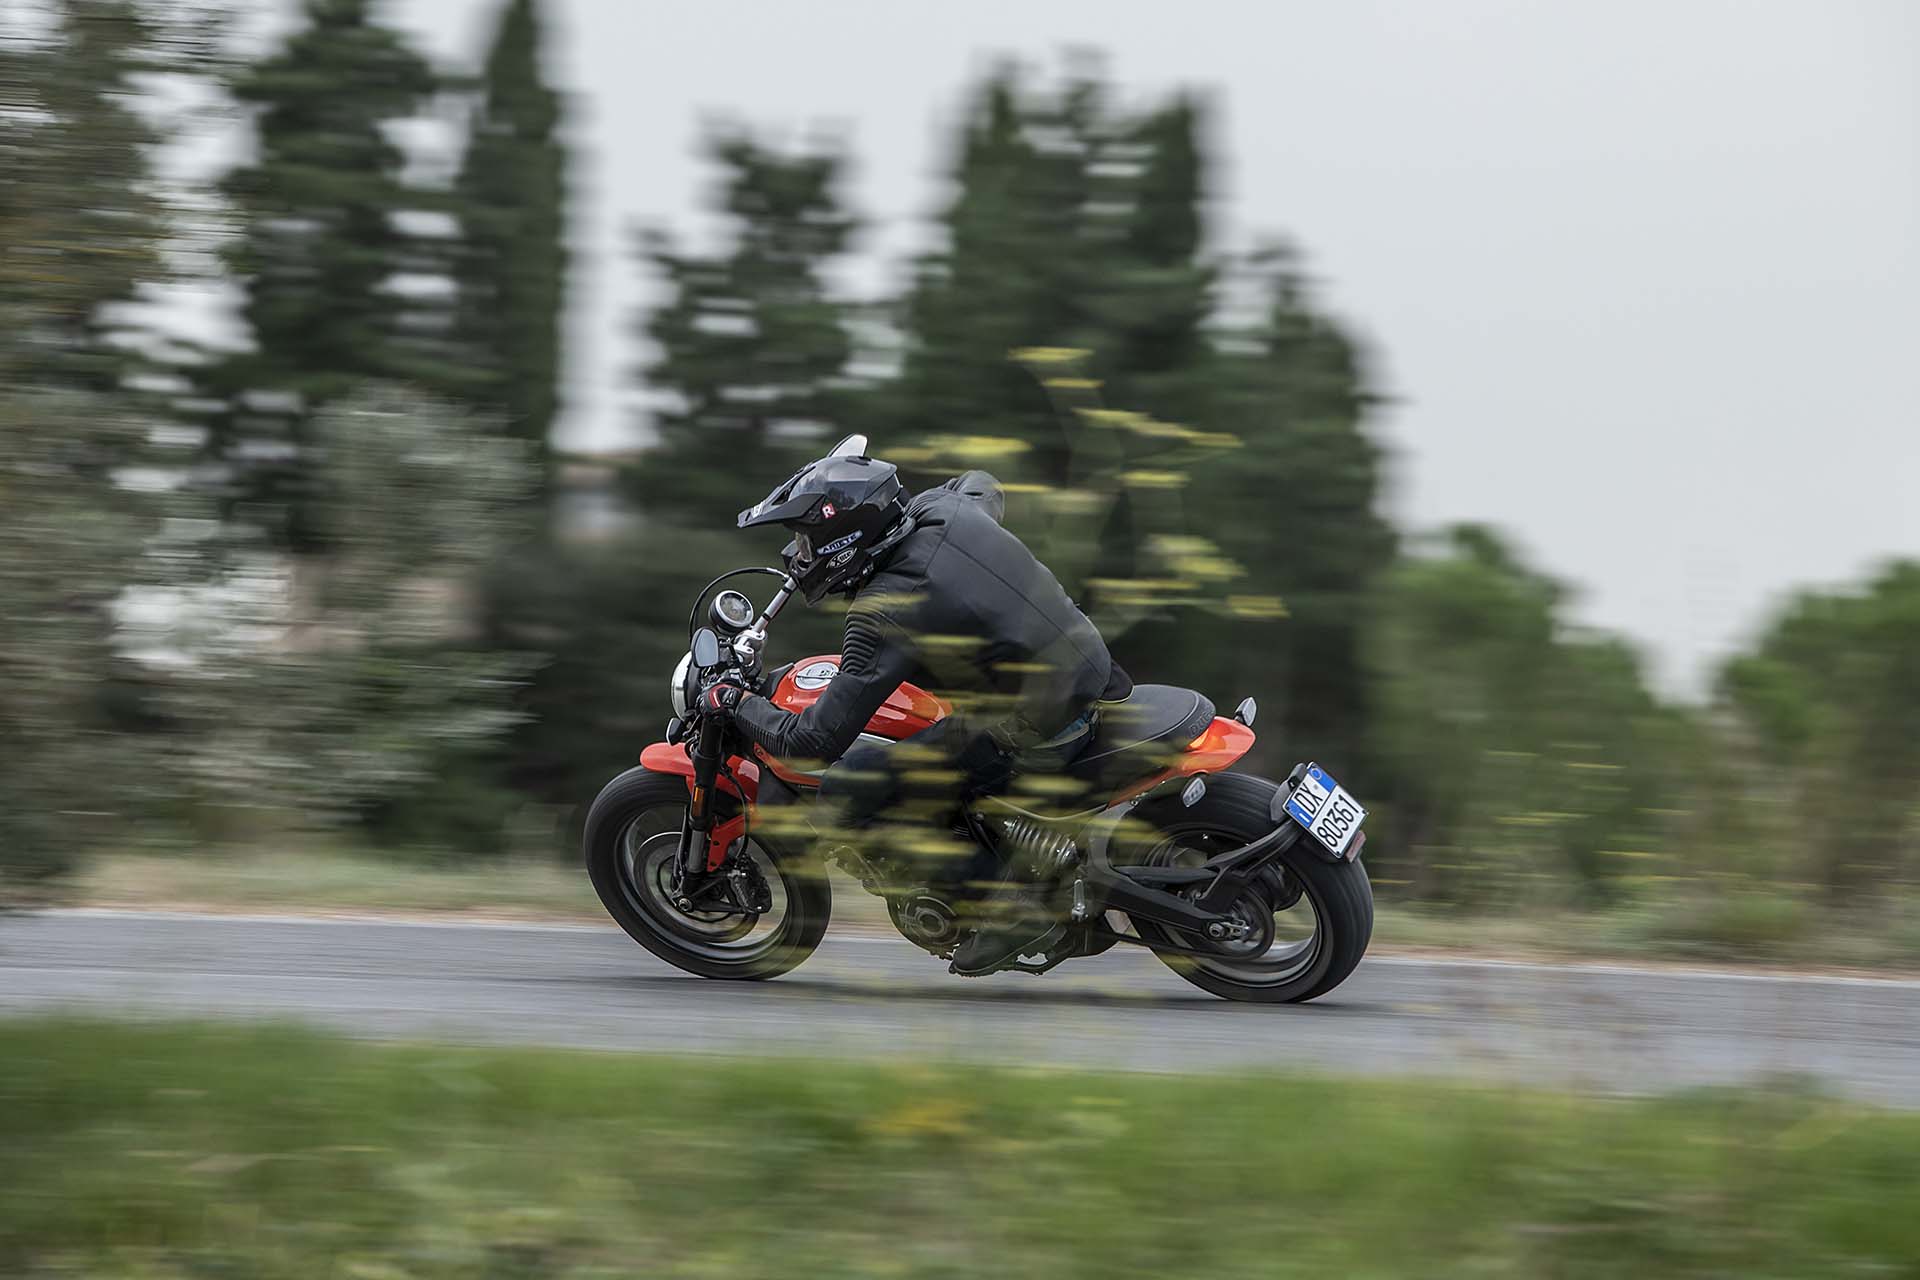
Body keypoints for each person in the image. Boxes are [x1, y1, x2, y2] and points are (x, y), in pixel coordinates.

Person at [699, 440, 1130, 975]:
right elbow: (982, 482)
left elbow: (813, 741)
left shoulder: (884, 611)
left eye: (807, 542)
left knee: (849, 787)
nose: (797, 555)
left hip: (1040, 722)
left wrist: (733, 700)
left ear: (844, 543)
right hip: (1087, 667)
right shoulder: (947, 508)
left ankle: (1010, 912)